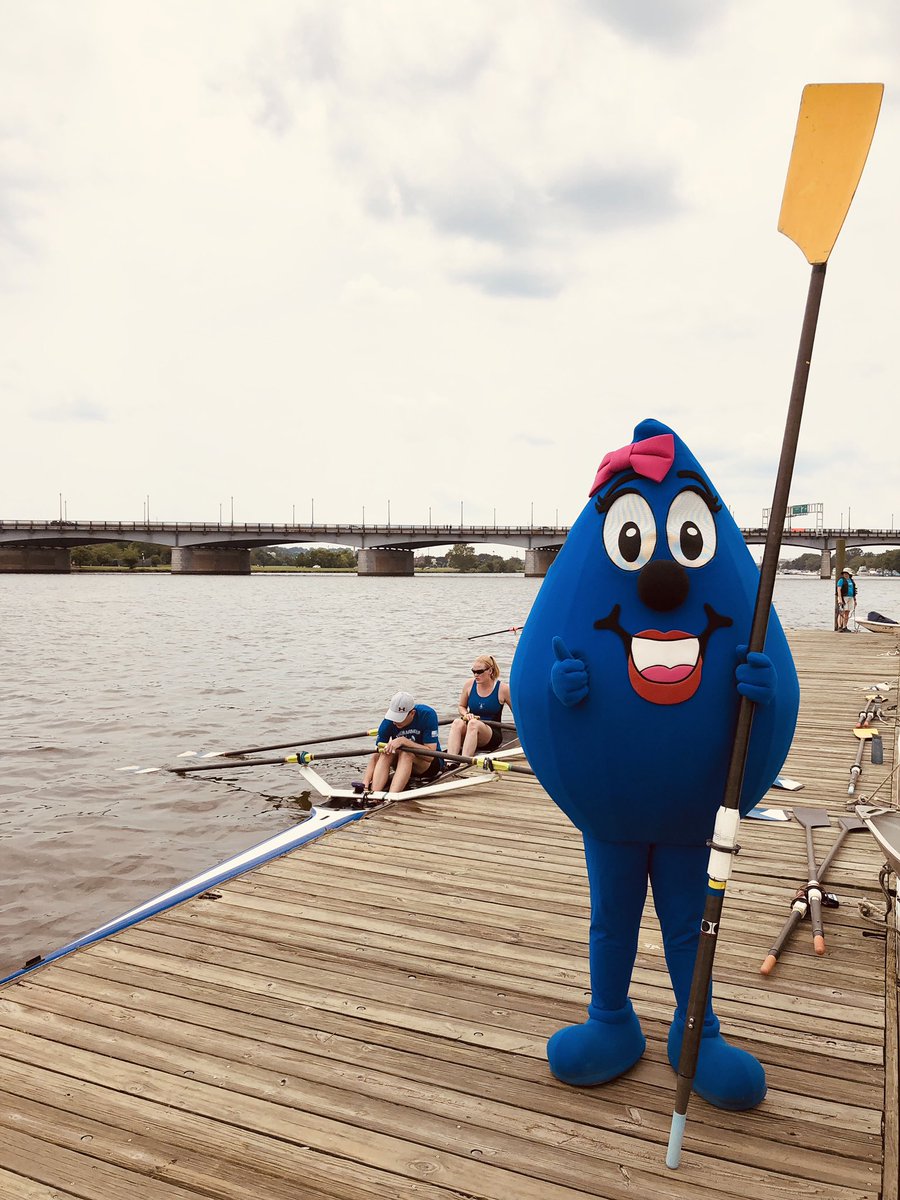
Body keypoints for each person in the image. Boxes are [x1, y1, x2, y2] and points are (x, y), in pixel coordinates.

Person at [361, 690, 443, 794]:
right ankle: (373, 793)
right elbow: (376, 755)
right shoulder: (389, 721)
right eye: (394, 716)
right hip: (403, 762)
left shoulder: (427, 715)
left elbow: (430, 755)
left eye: (400, 718)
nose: (395, 721)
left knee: (406, 753)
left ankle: (391, 797)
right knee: (385, 752)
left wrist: (403, 741)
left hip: (429, 765)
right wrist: (366, 782)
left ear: (412, 713)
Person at [447, 654, 512, 758]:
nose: (476, 675)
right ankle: (450, 761)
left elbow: (517, 713)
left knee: (473, 723)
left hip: (491, 734)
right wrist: (466, 714)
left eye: (479, 672)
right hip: (472, 727)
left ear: (490, 671)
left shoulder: (503, 689)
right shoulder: (469, 684)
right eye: (473, 671)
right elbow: (461, 706)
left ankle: (464, 762)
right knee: (457, 722)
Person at [836, 567, 858, 631]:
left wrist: (855, 600)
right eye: (844, 573)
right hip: (843, 598)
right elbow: (839, 590)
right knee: (841, 612)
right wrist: (840, 599)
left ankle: (845, 626)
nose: (845, 574)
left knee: (847, 612)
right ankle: (840, 627)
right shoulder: (841, 580)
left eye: (847, 573)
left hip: (850, 598)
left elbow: (854, 590)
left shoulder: (851, 580)